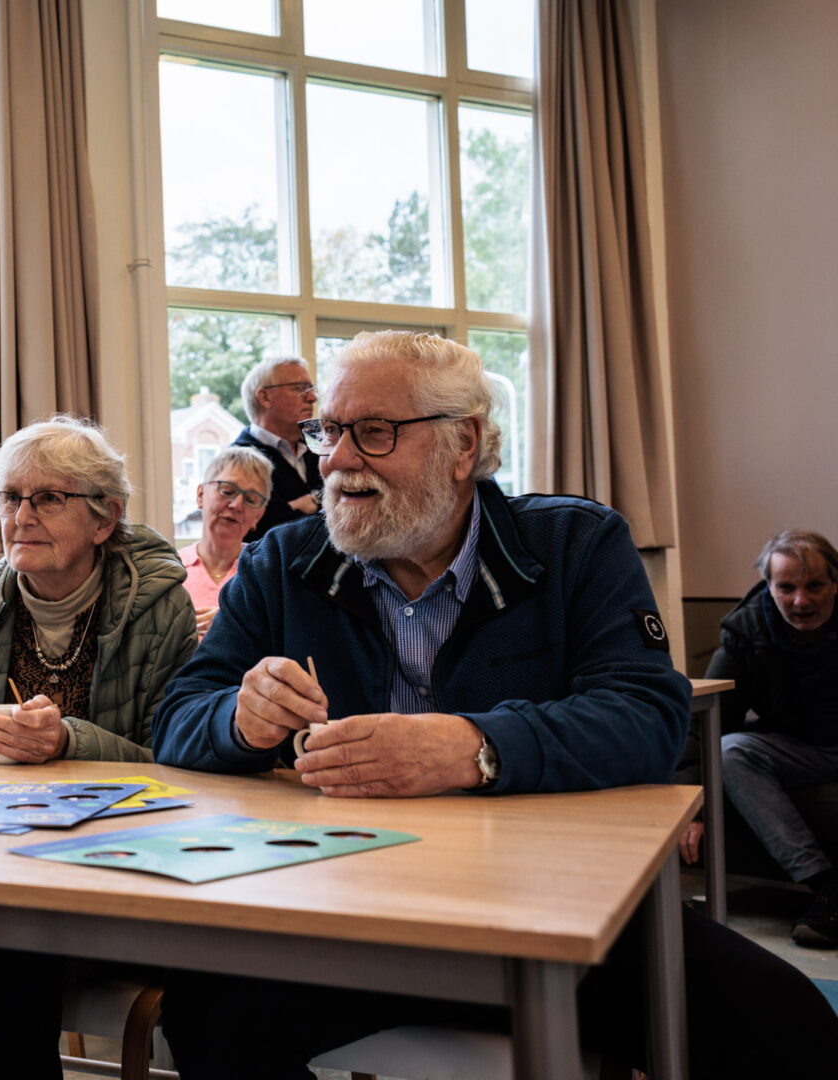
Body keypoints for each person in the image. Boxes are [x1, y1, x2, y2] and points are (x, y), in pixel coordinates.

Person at [150, 330, 838, 1078]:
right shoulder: (285, 561)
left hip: (555, 907)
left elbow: (647, 715)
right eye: (327, 432)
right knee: (207, 1009)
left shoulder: (576, 544)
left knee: (787, 1023)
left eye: (373, 433)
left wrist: (476, 747)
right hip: (340, 910)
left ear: (462, 444)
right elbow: (178, 717)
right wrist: (238, 720)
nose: (336, 461)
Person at [0, 415, 197, 1080]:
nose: (20, 517)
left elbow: (181, 764)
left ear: (105, 518)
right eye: (8, 498)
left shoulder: (158, 607)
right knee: (1, 932)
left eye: (48, 498)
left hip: (120, 875)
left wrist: (67, 739)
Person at [705, 529, 838, 947]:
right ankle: (826, 887)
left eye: (815, 585)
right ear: (769, 586)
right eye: (787, 587)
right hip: (797, 747)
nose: (801, 601)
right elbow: (708, 723)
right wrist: (693, 805)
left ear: (836, 583)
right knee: (730, 750)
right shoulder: (743, 633)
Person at [178, 445, 272, 641]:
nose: (237, 504)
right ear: (201, 495)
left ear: (259, 515)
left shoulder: (266, 575)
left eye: (251, 499)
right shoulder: (169, 570)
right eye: (227, 491)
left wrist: (229, 623)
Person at [231, 355, 321, 542]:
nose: (312, 398)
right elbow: (250, 529)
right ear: (265, 397)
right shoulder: (235, 461)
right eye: (300, 389)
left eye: (311, 390)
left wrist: (286, 509)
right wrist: (297, 509)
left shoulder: (322, 448)